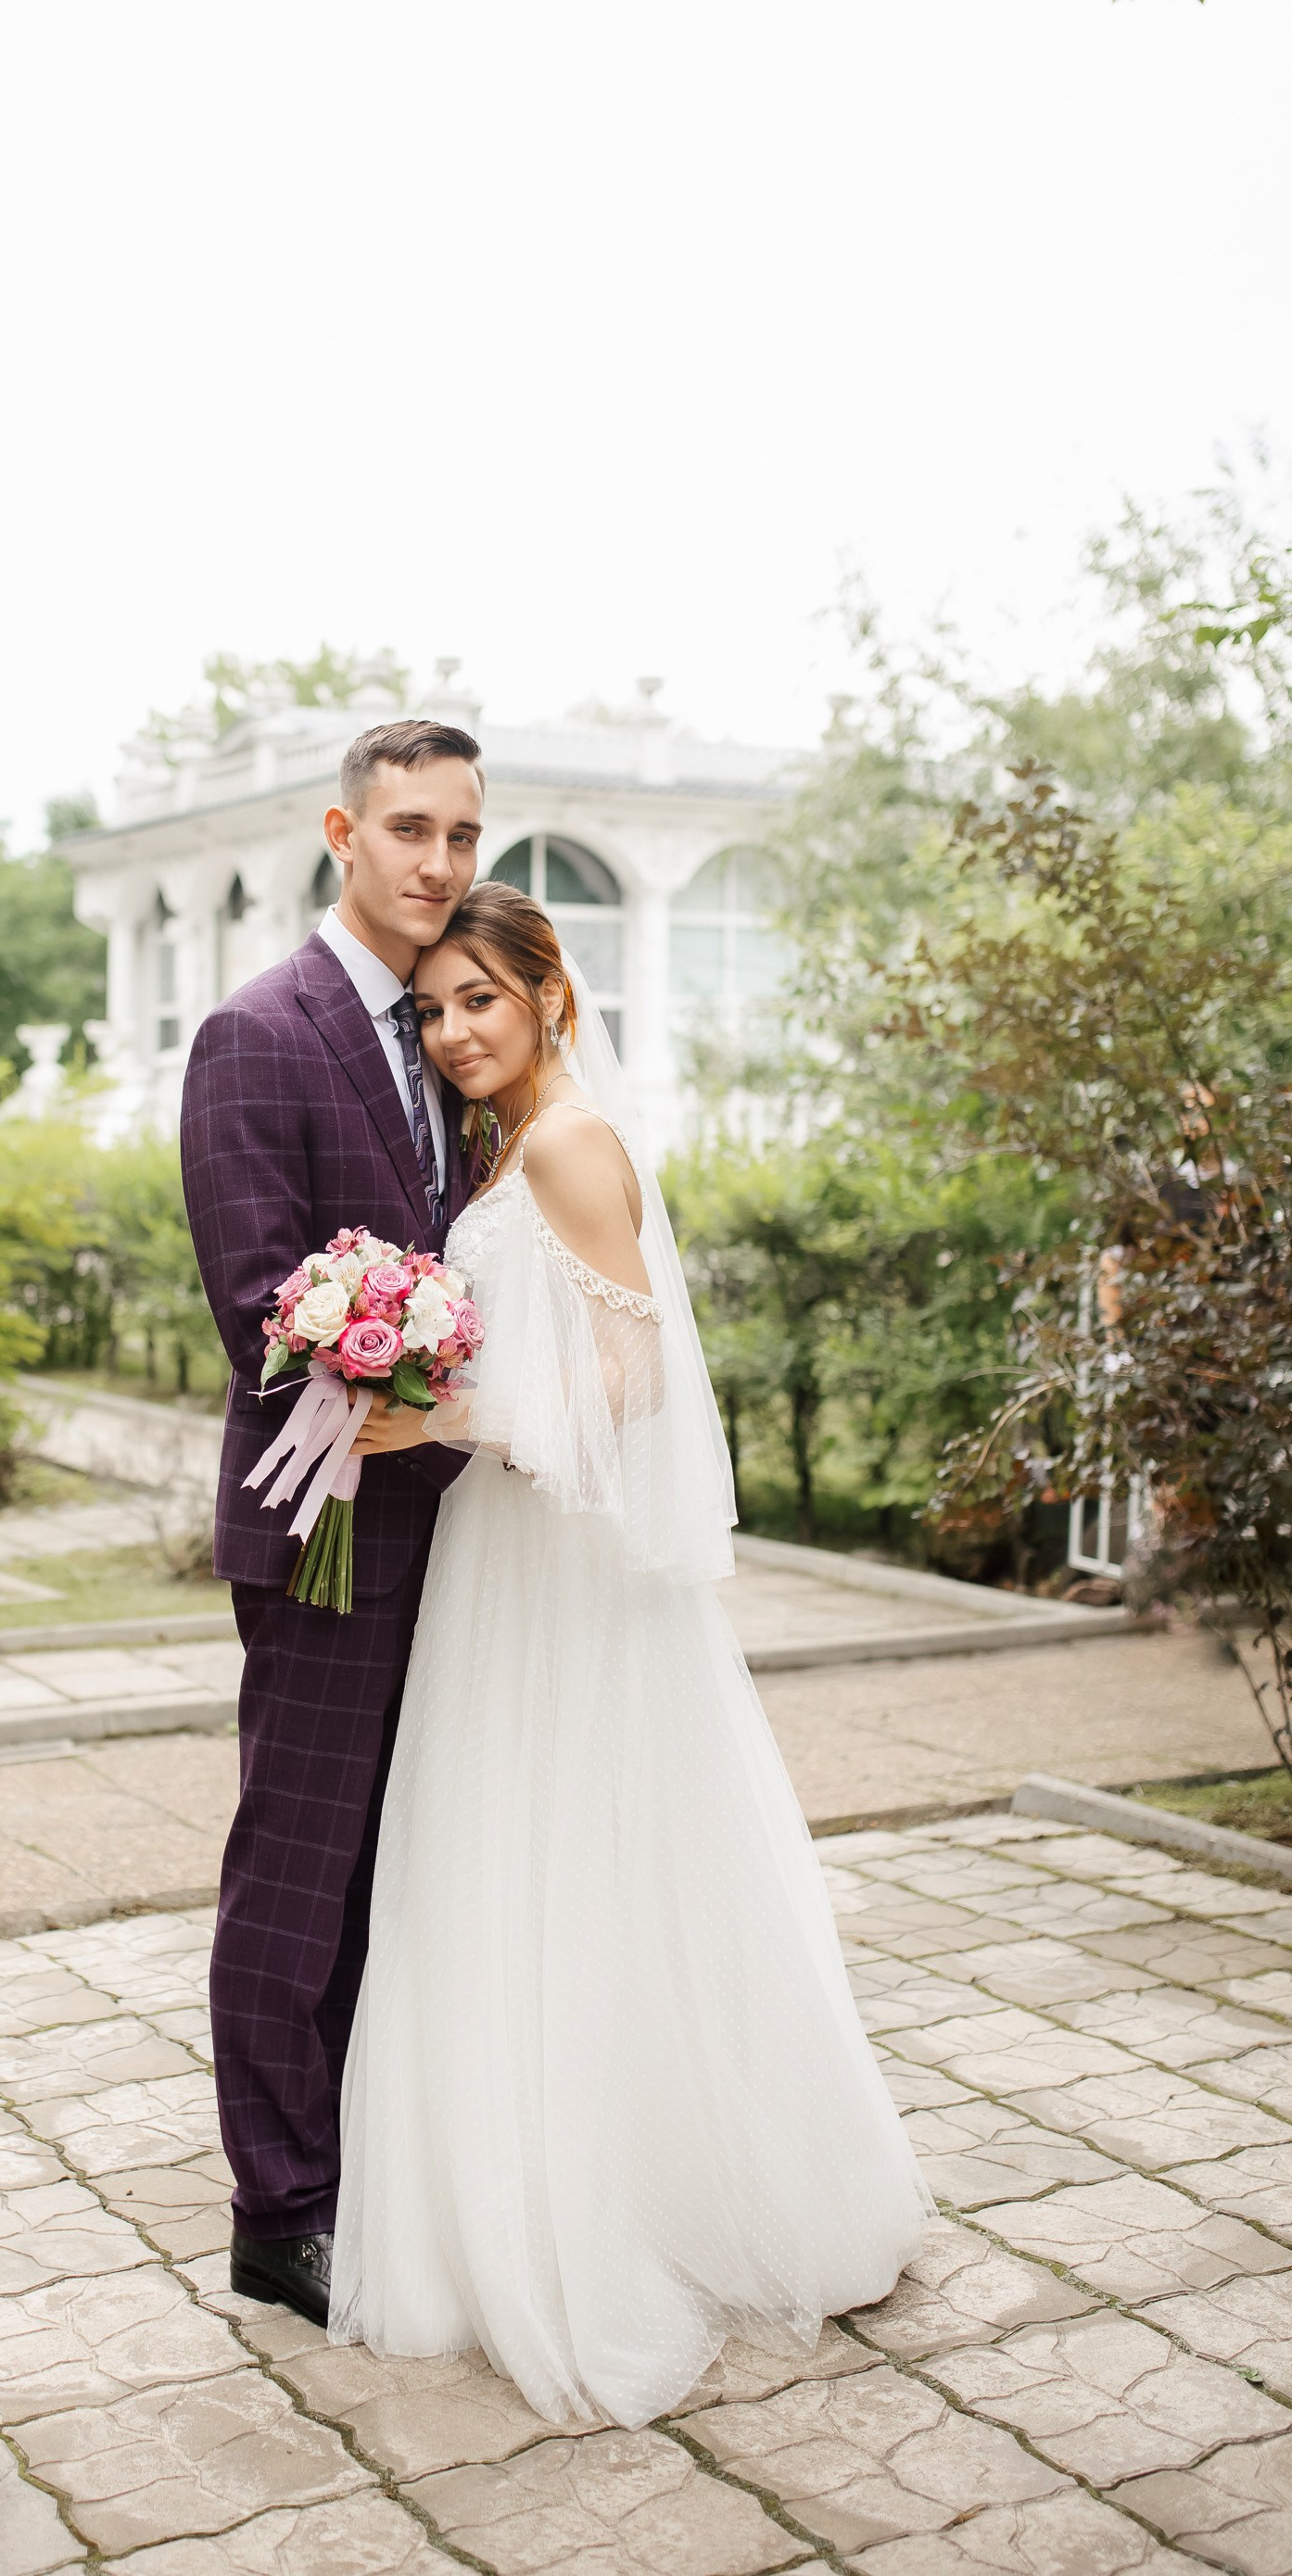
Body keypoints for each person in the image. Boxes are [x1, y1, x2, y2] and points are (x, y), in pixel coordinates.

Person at [329, 881, 931, 2426]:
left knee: (581, 1860)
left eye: (485, 1000)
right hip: (505, 1554)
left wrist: (446, 1413)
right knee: (512, 1862)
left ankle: (652, 2208)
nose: (460, 1031)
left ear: (548, 995)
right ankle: (536, 2189)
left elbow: (637, 1382)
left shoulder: (569, 1141)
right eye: (439, 1007)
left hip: (567, 1574)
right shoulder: (510, 1144)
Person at [178, 716, 486, 2328]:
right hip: (323, 1532)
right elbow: (260, 1313)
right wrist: (402, 1369)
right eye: (411, 831)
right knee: (298, 1873)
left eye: (462, 836)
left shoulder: (455, 1035)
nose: (439, 864)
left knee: (405, 1864)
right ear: (339, 833)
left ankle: (376, 2156)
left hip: (465, 1537)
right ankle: (277, 2209)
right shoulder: (259, 1033)